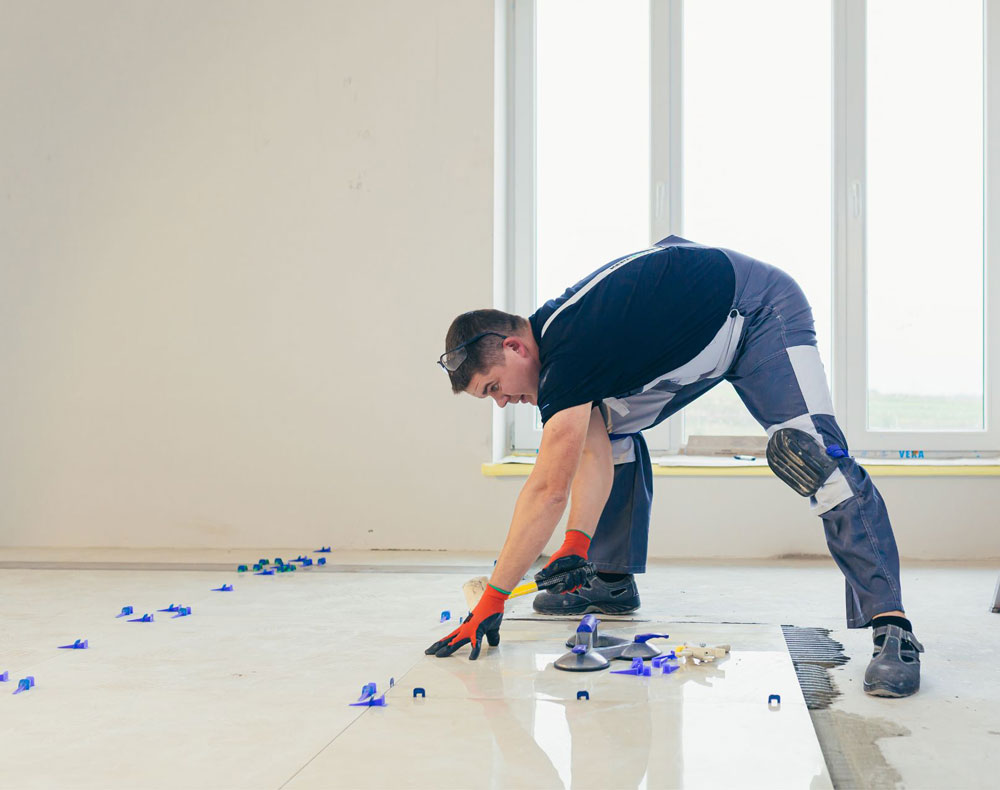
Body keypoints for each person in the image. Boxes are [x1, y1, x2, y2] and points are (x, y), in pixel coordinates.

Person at [426, 235, 924, 698]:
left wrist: (493, 598)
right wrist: (575, 544)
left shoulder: (569, 352)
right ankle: (610, 578)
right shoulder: (562, 351)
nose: (502, 402)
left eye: (494, 387)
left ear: (514, 347)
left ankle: (891, 625)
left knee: (815, 458)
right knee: (607, 426)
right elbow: (592, 451)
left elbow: (548, 490)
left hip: (759, 311)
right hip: (702, 337)